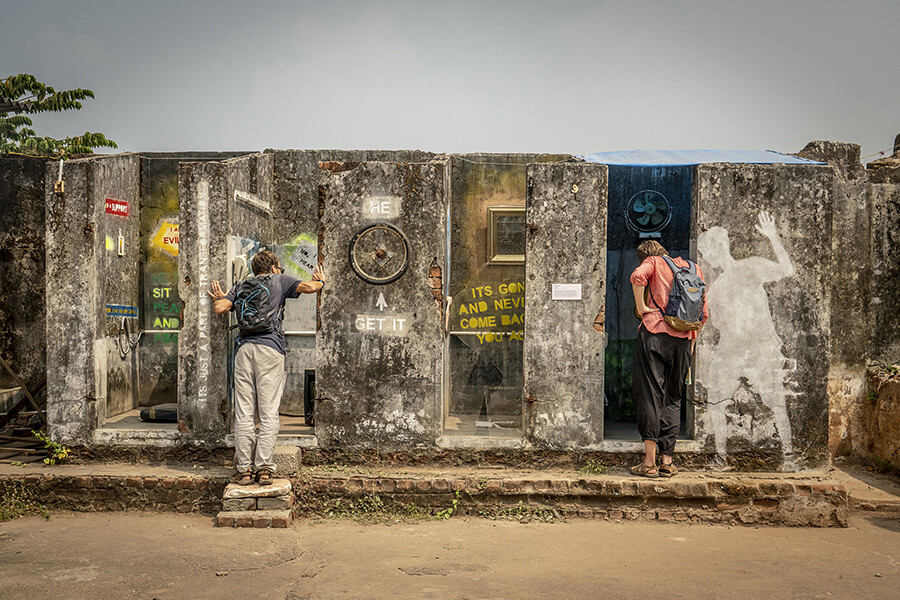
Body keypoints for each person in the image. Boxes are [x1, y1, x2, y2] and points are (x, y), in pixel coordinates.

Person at [208, 250, 325, 485]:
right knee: (269, 412)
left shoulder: (241, 284)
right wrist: (320, 280)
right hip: (270, 349)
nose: (280, 271)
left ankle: (243, 470)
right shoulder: (280, 280)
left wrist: (224, 298)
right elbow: (311, 288)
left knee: (244, 413)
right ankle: (263, 469)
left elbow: (220, 307)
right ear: (273, 268)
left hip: (243, 350)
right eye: (279, 267)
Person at [697, 211, 796, 469]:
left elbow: (787, 270)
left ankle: (787, 456)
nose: (706, 258)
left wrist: (773, 236)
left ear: (715, 252)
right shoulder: (720, 286)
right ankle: (725, 456)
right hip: (736, 349)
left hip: (758, 347)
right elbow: (715, 322)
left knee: (775, 400)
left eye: (706, 253)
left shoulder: (745, 271)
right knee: (718, 398)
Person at [629, 240, 708, 478]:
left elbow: (637, 277)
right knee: (673, 397)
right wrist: (691, 342)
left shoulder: (652, 263)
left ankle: (650, 464)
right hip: (684, 339)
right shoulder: (694, 269)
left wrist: (642, 306)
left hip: (654, 334)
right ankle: (667, 461)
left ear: (646, 257)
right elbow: (702, 313)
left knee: (651, 394)